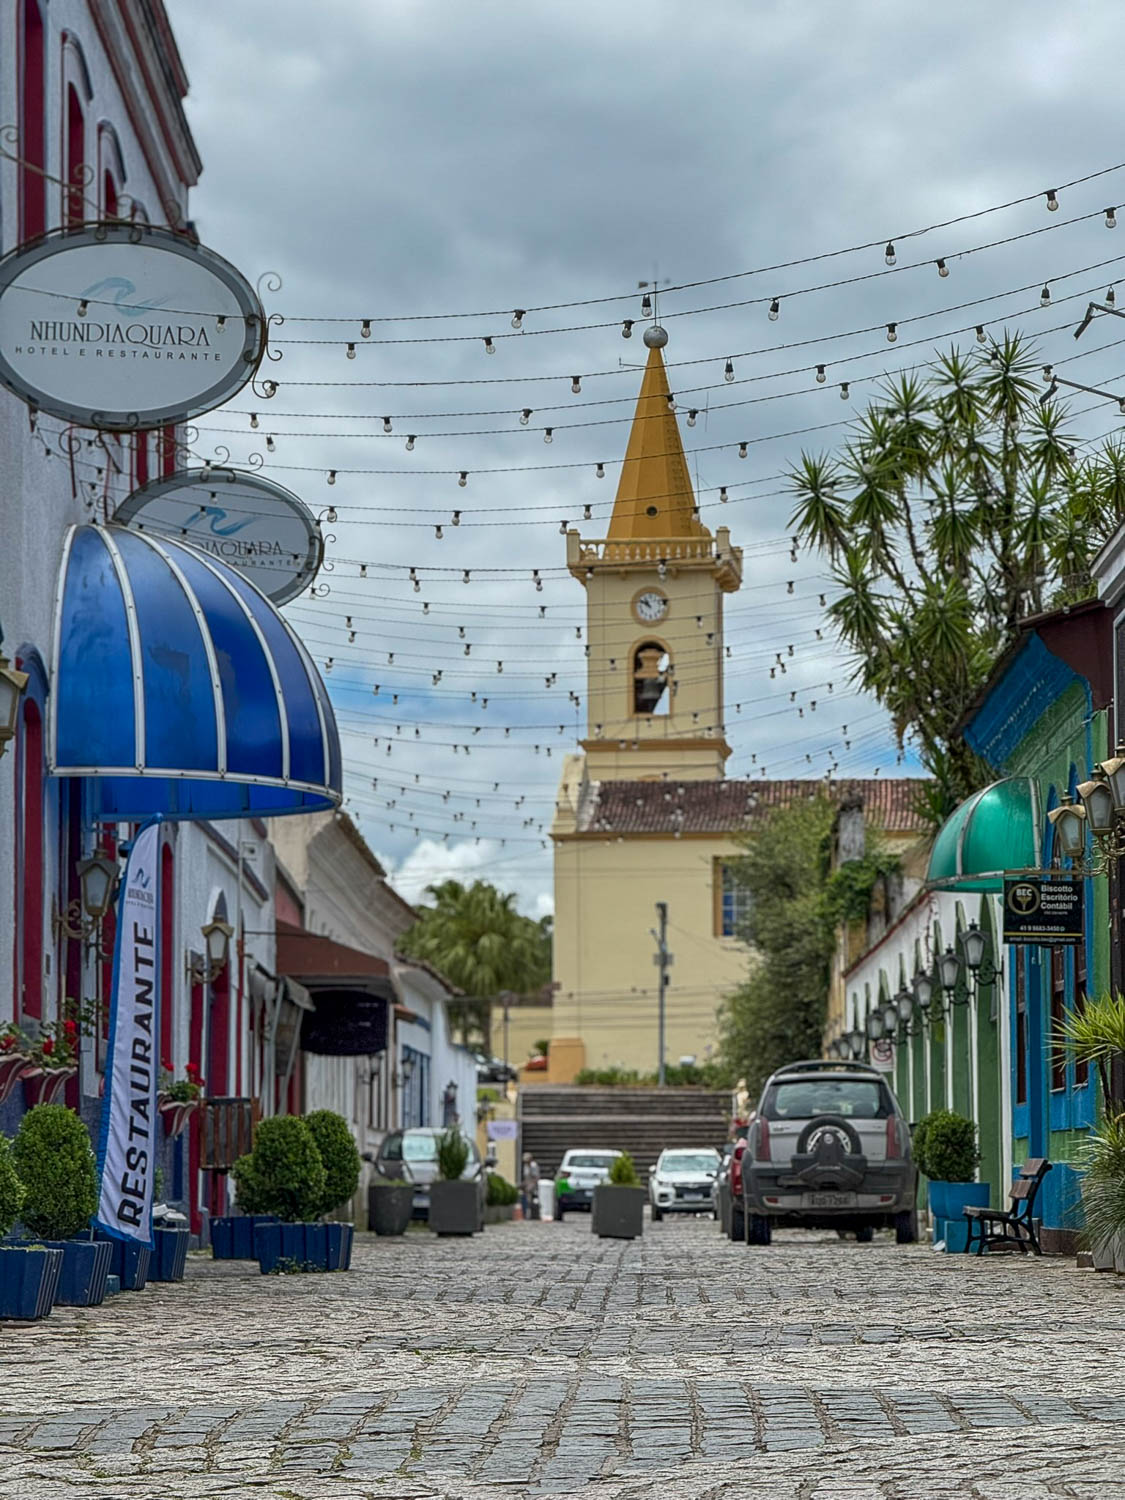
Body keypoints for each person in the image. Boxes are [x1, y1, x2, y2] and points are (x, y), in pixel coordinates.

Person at [521, 1151, 540, 1220]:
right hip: (527, 1184)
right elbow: (526, 1177)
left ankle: (532, 1215)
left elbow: (536, 1178)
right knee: (525, 1199)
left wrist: (530, 1186)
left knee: (531, 1201)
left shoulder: (533, 1166)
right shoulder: (526, 1166)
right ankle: (525, 1215)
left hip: (533, 1185)